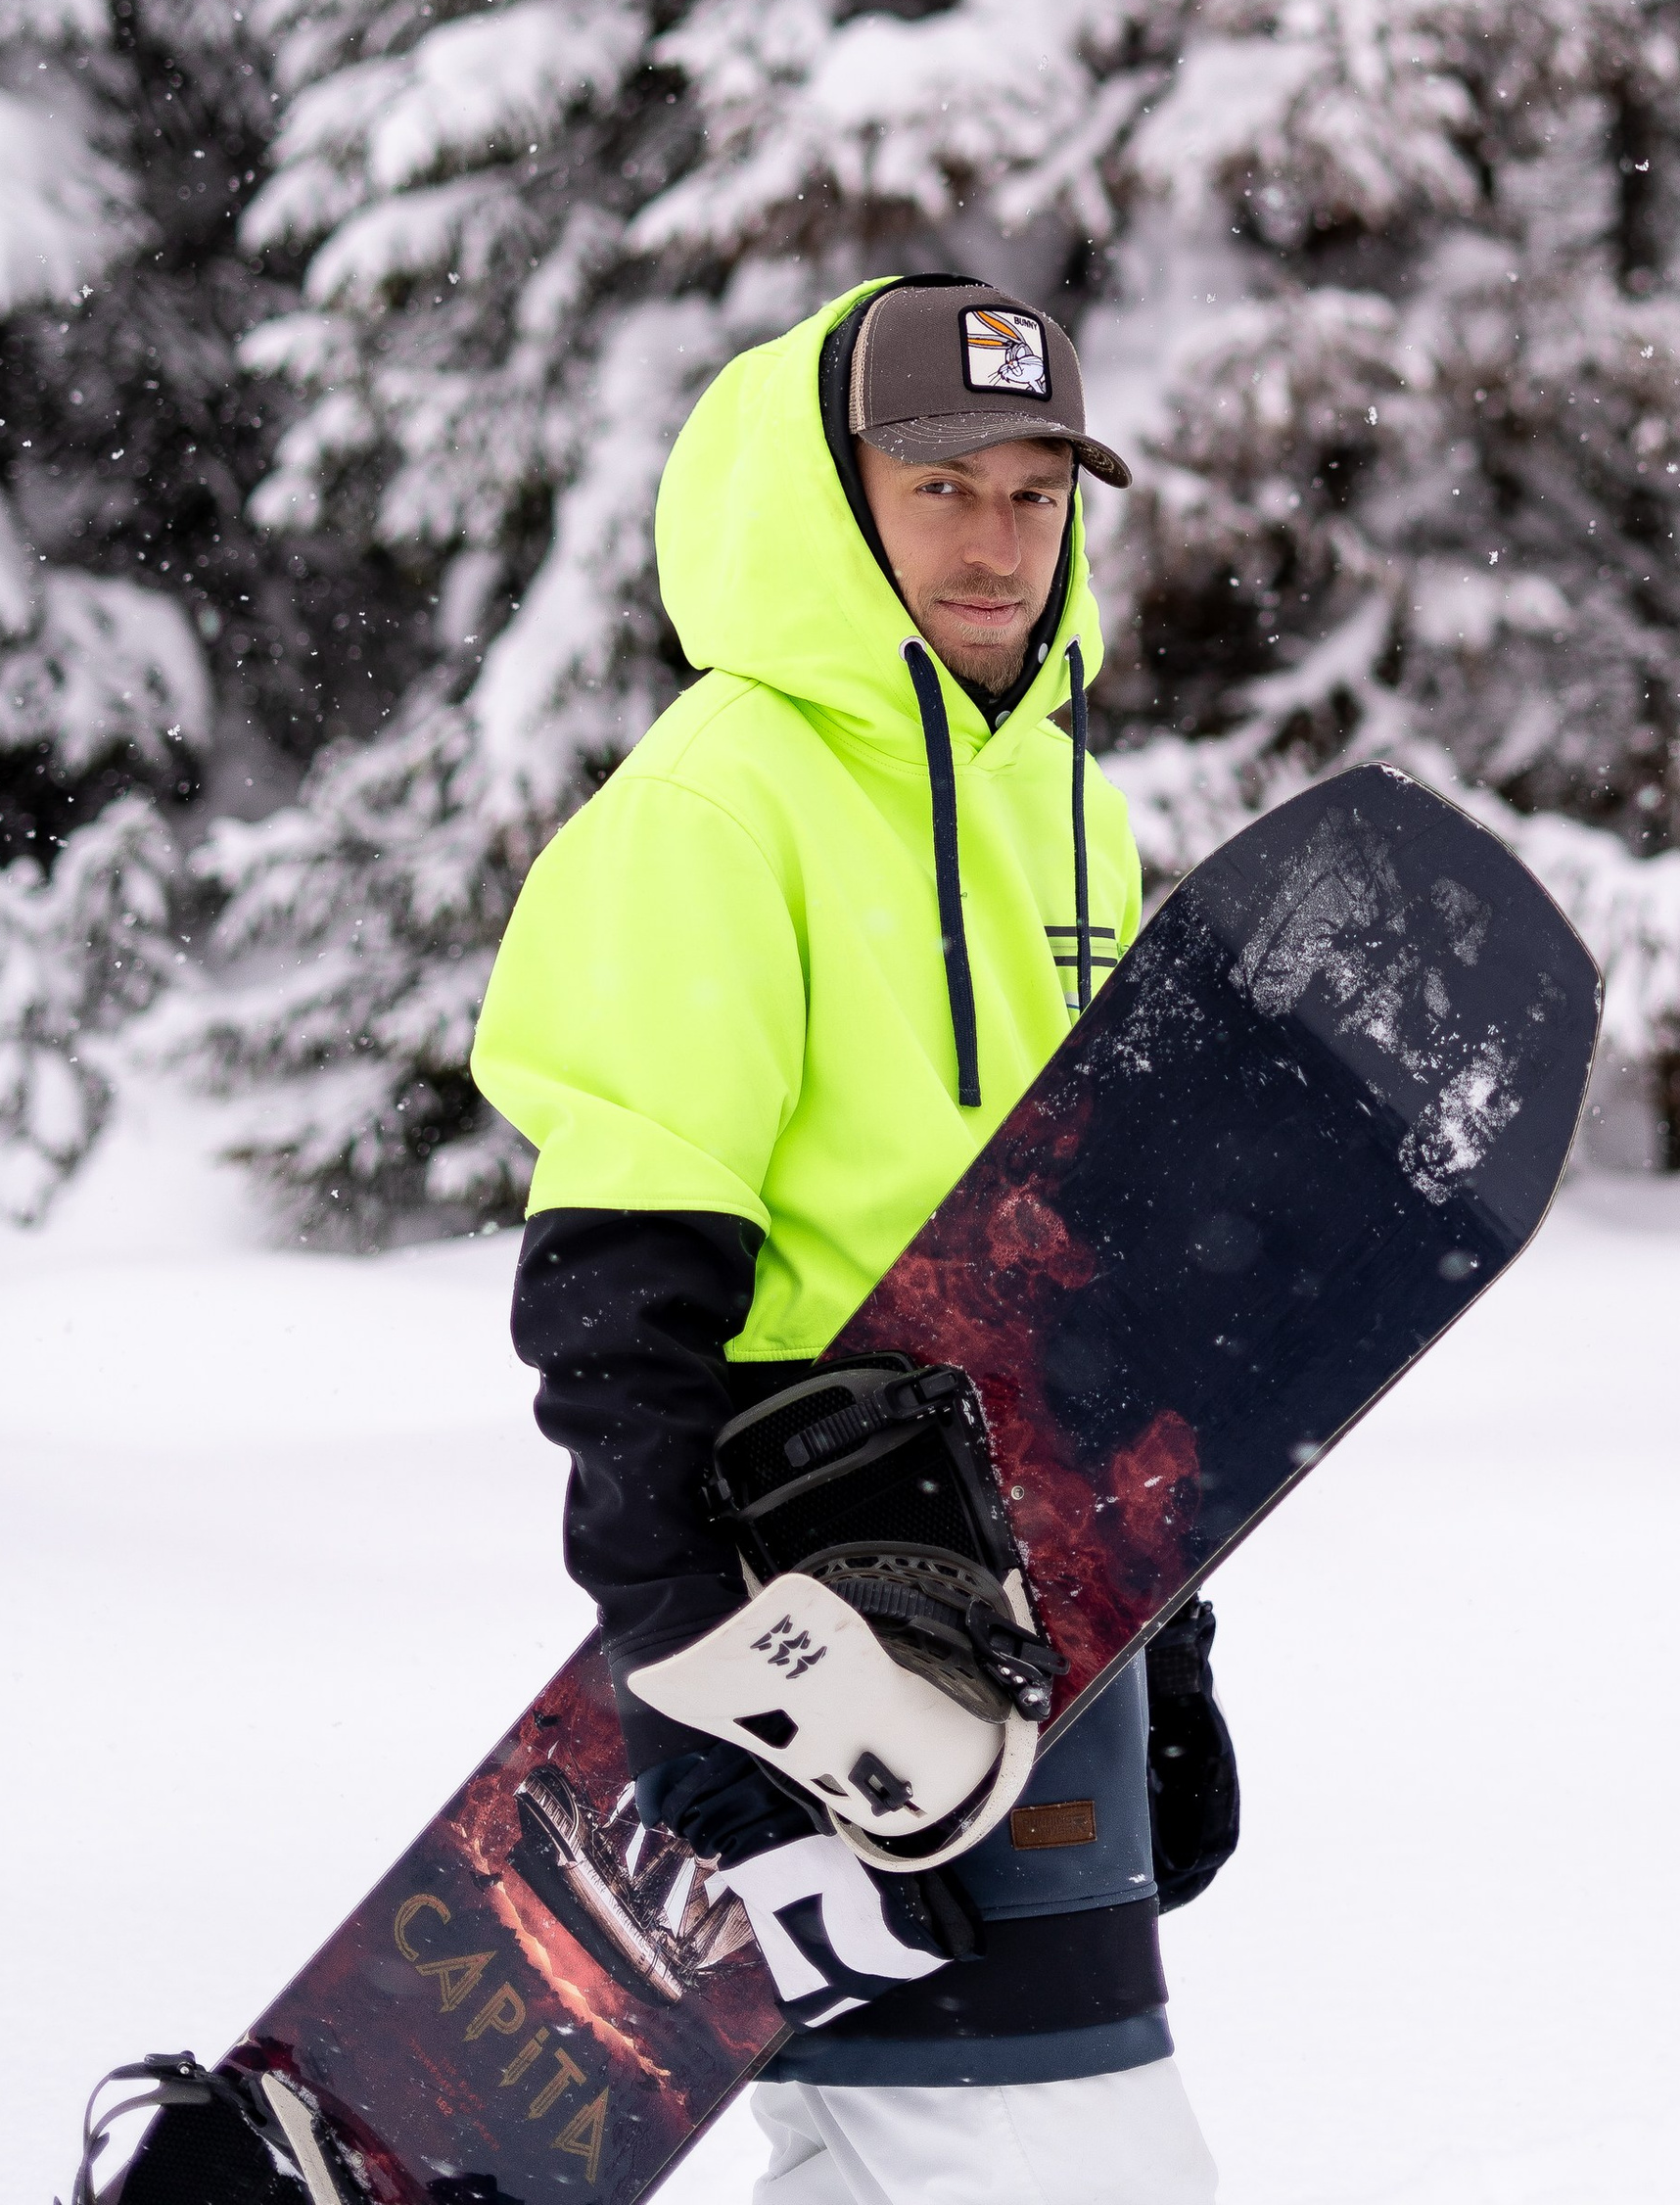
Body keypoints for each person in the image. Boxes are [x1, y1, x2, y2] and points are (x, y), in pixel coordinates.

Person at [472, 277, 1235, 2205]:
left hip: (1047, 1614)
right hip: (821, 1637)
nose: (996, 543)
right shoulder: (714, 806)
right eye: (940, 487)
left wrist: (1174, 1626)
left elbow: (1093, 1274)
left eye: (1035, 494)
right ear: (831, 499)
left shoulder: (1070, 812)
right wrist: (702, 1707)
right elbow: (616, 1315)